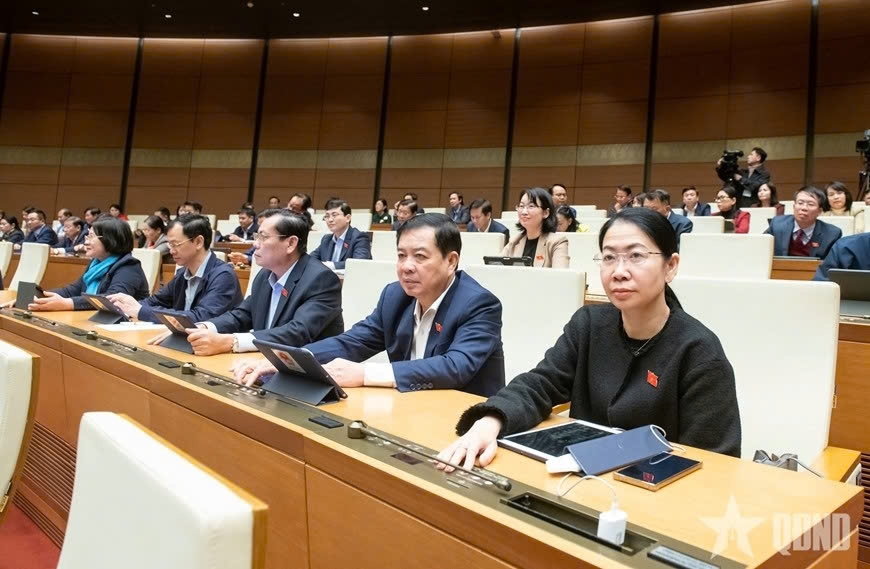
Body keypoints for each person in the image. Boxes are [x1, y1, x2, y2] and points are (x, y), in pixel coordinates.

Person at [436, 207, 742, 472]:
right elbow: (541, 383)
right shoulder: (590, 325)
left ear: (670, 266)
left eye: (636, 256)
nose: (619, 271)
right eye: (609, 258)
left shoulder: (699, 350)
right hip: (580, 484)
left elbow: (714, 462)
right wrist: (490, 421)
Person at [232, 214, 506, 397]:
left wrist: (364, 373)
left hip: (463, 419)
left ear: (451, 261)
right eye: (401, 255)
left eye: (420, 257)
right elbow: (352, 342)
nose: (407, 267)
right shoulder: (395, 296)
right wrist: (284, 360)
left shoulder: (478, 303)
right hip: (407, 406)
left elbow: (456, 367)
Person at [168, 210, 344, 356]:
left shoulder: (320, 279)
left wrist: (232, 341)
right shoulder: (264, 276)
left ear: (290, 243)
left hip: (308, 375)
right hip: (263, 363)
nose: (255, 245)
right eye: (256, 236)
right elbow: (242, 315)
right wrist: (205, 327)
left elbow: (296, 332)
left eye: (263, 237)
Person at [108, 215, 243, 323]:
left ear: (198, 242)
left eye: (175, 244)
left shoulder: (223, 276)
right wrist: (127, 305)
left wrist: (141, 311)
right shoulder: (182, 274)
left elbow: (201, 317)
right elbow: (154, 301)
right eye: (169, 244)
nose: (171, 251)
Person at [9, 216, 150, 311]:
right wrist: (32, 298)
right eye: (87, 235)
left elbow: (111, 300)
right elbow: (71, 291)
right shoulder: (97, 264)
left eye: (91, 236)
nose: (86, 242)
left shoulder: (128, 267)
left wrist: (67, 304)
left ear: (111, 239)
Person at [765, 186, 841, 258]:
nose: (804, 208)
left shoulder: (831, 234)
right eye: (800, 203)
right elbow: (761, 247)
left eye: (810, 204)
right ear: (794, 206)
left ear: (820, 211)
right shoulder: (777, 224)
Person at [501, 188, 569, 268]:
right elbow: (496, 268)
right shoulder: (515, 241)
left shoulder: (557, 243)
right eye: (521, 206)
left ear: (545, 213)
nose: (524, 212)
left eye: (531, 206)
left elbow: (560, 276)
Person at [310, 199, 372, 270]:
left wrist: (330, 265)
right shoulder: (326, 239)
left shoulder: (360, 238)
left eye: (334, 215)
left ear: (348, 218)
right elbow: (311, 259)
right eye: (327, 216)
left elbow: (358, 263)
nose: (330, 220)